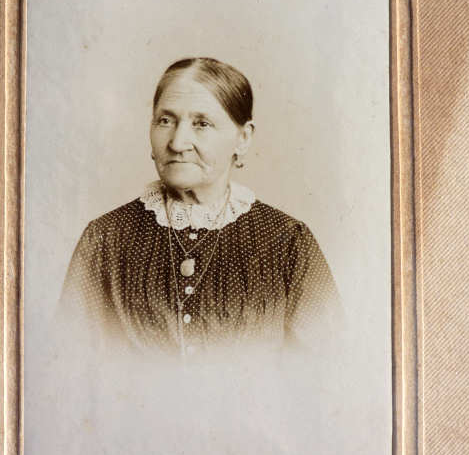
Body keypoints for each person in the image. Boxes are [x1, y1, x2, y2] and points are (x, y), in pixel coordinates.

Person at [61, 57, 339, 363]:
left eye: (201, 123)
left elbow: (325, 373)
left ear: (243, 138)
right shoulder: (105, 238)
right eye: (165, 121)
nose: (178, 143)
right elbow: (69, 369)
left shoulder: (287, 242)